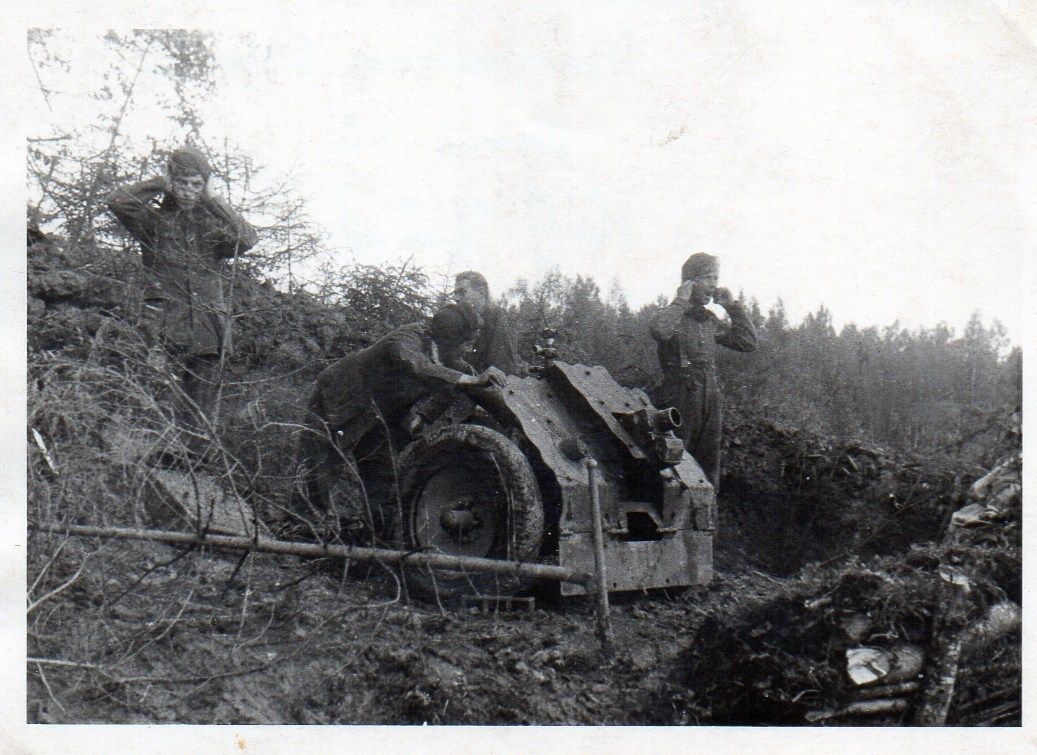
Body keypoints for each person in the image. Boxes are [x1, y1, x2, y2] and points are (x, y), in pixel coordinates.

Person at [291, 303, 506, 539]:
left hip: (377, 416)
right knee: (322, 464)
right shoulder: (407, 338)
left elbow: (473, 391)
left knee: (382, 475)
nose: (469, 351)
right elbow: (415, 365)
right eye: (466, 343)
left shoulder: (451, 360)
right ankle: (299, 531)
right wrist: (470, 380)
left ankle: (373, 538)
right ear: (449, 338)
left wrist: (506, 403)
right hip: (342, 400)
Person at [107, 146, 258, 425]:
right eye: (182, 183)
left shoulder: (212, 231)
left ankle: (195, 463)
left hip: (208, 330)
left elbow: (247, 237)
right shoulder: (152, 223)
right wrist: (159, 183)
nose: (189, 191)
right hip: (166, 328)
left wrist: (213, 199)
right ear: (172, 183)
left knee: (199, 416)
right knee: (156, 407)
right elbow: (117, 202)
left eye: (197, 185)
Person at [649, 253, 757, 491]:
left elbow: (748, 342)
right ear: (690, 282)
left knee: (708, 467)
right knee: (675, 461)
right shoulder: (674, 316)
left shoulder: (709, 321)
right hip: (679, 397)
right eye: (708, 278)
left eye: (716, 278)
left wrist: (732, 306)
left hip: (709, 398)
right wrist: (680, 300)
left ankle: (705, 523)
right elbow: (659, 330)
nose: (713, 285)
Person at [453, 270, 526, 377]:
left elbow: (503, 369)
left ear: (482, 292)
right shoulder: (459, 320)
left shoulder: (498, 318)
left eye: (462, 292)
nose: (456, 298)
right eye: (455, 293)